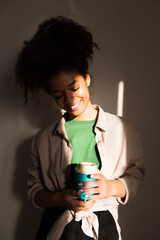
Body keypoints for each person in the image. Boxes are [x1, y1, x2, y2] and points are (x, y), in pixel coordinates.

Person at [16, 16, 145, 240]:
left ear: (87, 79)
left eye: (74, 87)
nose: (69, 99)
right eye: (58, 95)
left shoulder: (122, 129)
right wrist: (59, 199)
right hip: (56, 227)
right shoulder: (43, 139)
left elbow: (136, 175)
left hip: (103, 228)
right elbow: (34, 193)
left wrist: (111, 187)